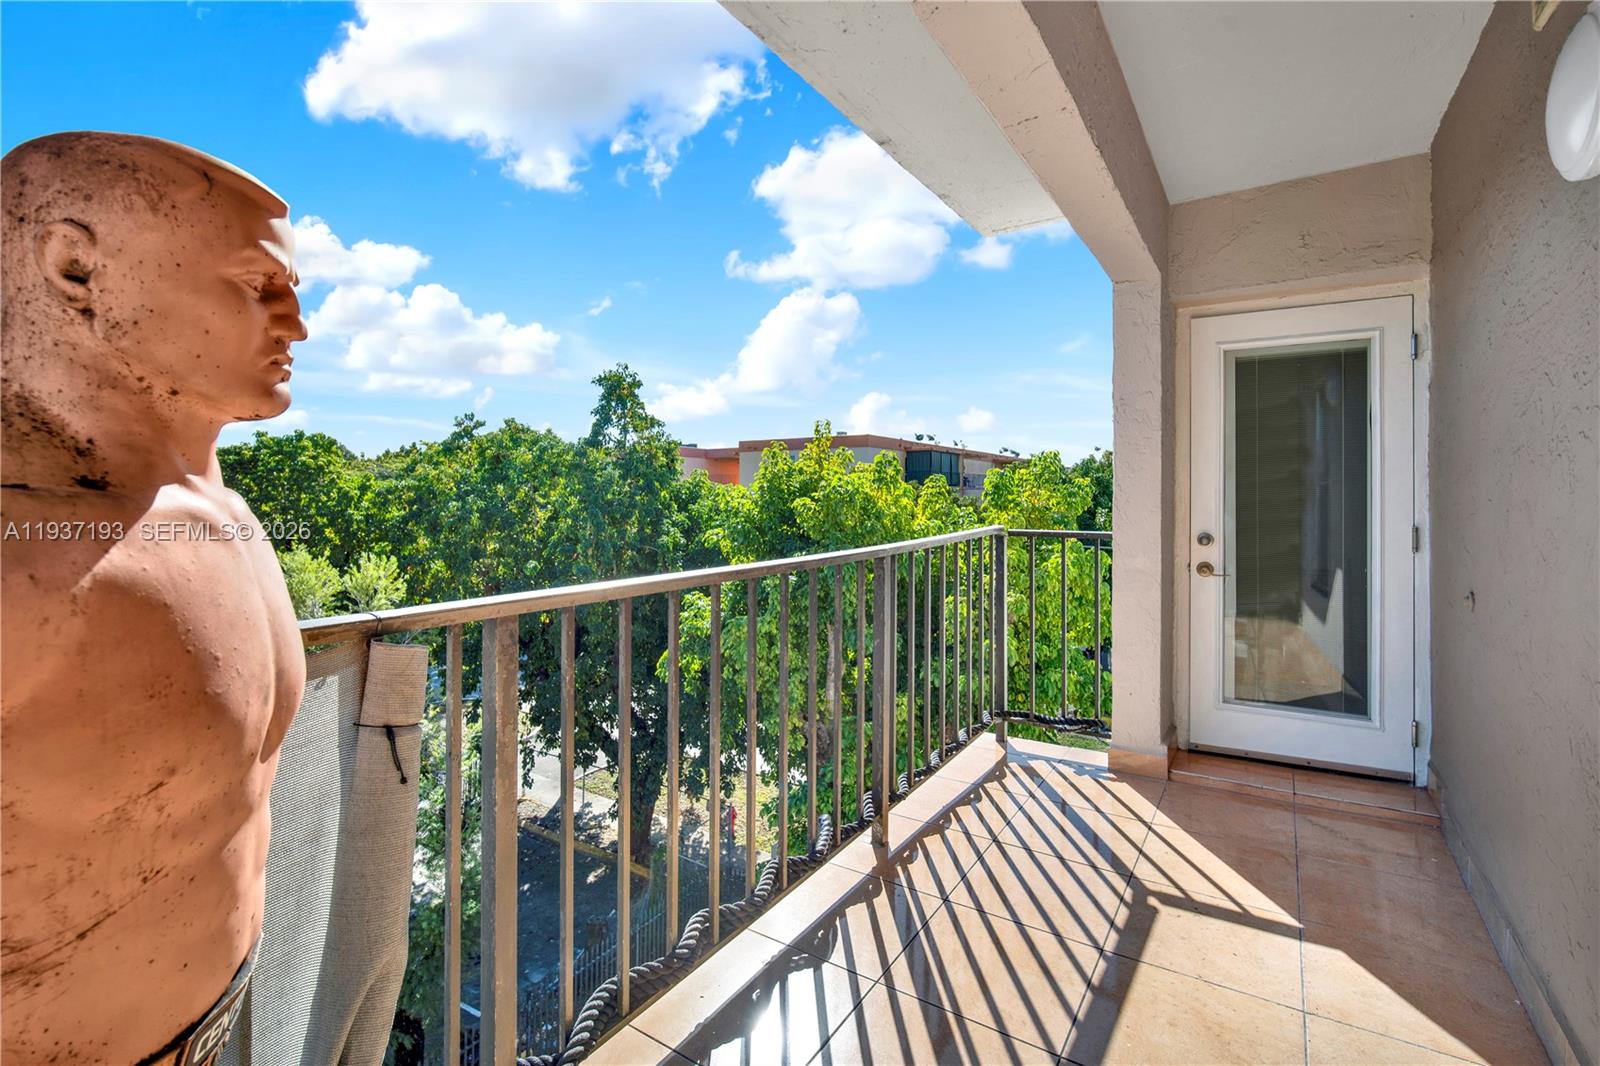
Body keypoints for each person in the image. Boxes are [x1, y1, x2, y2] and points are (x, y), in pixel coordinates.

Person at [1, 132, 308, 1065]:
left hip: (221, 1018)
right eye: (259, 285)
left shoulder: (226, 513)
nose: (295, 325)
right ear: (77, 267)